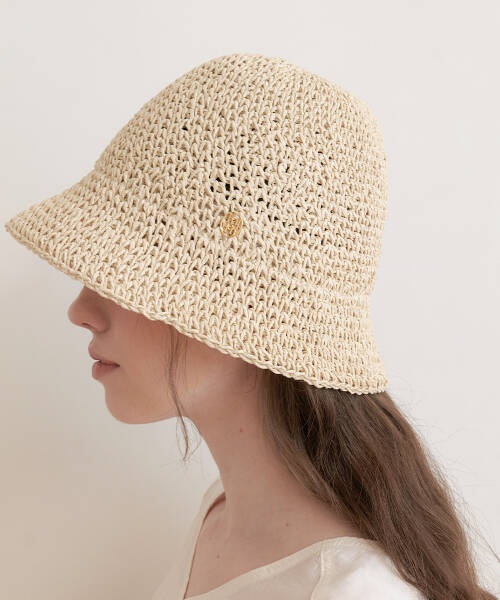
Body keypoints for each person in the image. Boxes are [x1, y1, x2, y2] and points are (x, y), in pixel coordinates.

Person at [5, 53, 497, 600]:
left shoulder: (348, 590)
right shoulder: (221, 516)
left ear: (236, 307)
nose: (80, 311)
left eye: (122, 275)